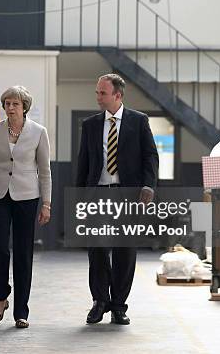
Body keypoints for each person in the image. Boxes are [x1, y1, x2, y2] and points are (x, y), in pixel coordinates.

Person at [76, 73, 158, 326]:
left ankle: (119, 306)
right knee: (98, 251)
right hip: (98, 194)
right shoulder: (90, 124)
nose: (98, 97)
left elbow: (150, 157)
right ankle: (100, 302)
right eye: (97, 92)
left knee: (124, 252)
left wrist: (149, 186)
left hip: (128, 195)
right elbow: (84, 163)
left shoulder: (139, 121)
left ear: (118, 95)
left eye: (103, 93)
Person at [0, 85, 52, 329]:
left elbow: (45, 171)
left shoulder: (39, 132)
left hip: (27, 196)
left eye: (15, 104)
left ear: (24, 106)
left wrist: (46, 203)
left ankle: (21, 311)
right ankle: (1, 298)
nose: (10, 108)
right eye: (7, 103)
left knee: (23, 252)